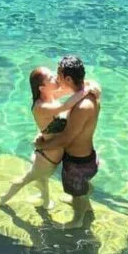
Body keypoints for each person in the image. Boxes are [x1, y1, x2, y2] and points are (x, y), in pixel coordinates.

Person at [0, 65, 99, 209]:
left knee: (42, 178)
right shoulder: (41, 107)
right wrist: (86, 90)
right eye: (51, 78)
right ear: (42, 88)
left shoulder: (50, 96)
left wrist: (91, 84)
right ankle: (5, 198)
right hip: (48, 157)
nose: (55, 78)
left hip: (49, 152)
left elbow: (70, 89)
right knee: (27, 179)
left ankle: (45, 202)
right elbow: (65, 106)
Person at [35, 54, 100, 226]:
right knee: (77, 190)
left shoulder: (82, 106)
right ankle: (81, 198)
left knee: (77, 193)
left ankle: (77, 219)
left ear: (68, 78)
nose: (56, 78)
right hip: (83, 157)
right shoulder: (85, 94)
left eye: (58, 75)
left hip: (78, 163)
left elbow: (66, 139)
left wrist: (42, 145)